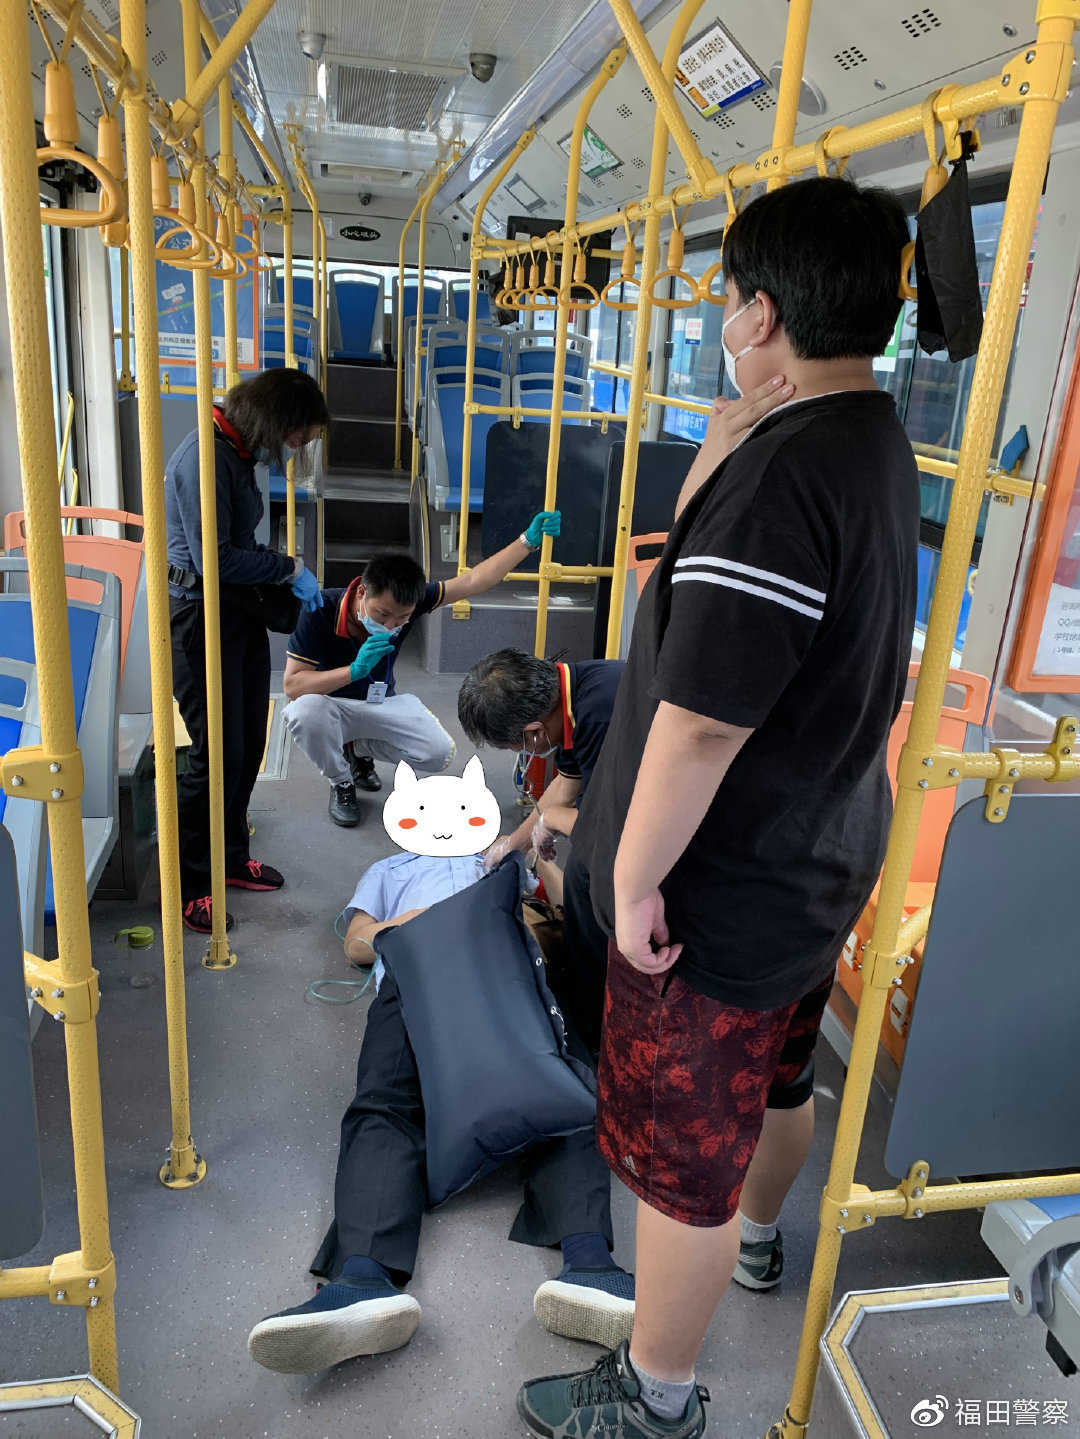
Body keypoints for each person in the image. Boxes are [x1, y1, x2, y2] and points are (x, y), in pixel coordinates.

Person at [517, 174, 919, 1439]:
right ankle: (758, 1239)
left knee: (679, 1156)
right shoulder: (867, 435)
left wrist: (634, 880)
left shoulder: (783, 485)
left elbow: (699, 722)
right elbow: (701, 578)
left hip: (719, 888)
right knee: (782, 1081)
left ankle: (658, 1396)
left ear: (759, 314)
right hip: (818, 853)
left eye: (729, 298)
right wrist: (721, 447)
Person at [246, 800, 636, 1375]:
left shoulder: (496, 860)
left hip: (504, 967)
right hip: (416, 976)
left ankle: (590, 1265)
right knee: (384, 1103)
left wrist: (539, 859)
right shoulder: (389, 870)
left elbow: (566, 909)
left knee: (571, 1086)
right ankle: (362, 1280)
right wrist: (424, 919)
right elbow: (357, 944)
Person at [165, 367, 330, 934]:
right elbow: (215, 558)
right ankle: (192, 884)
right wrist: (288, 567)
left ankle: (231, 858)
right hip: (199, 616)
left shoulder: (236, 453)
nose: (291, 450)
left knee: (248, 744)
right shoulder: (204, 459)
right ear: (275, 422)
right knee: (214, 754)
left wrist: (280, 571)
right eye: (295, 438)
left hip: (235, 610)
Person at [281, 511, 562, 827]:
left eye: (401, 618)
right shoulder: (319, 610)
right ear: (361, 592)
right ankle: (341, 781)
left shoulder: (412, 601)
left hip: (380, 702)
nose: (390, 625)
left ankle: (355, 748)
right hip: (331, 706)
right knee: (303, 712)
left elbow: (474, 580)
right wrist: (353, 671)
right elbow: (292, 686)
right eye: (382, 614)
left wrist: (526, 542)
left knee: (438, 753)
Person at [457, 648, 624, 1053]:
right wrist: (512, 844)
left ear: (533, 732)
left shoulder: (600, 717)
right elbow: (566, 784)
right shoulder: (569, 694)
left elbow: (610, 831)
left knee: (586, 883)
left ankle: (595, 1030)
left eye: (516, 745)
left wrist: (553, 820)